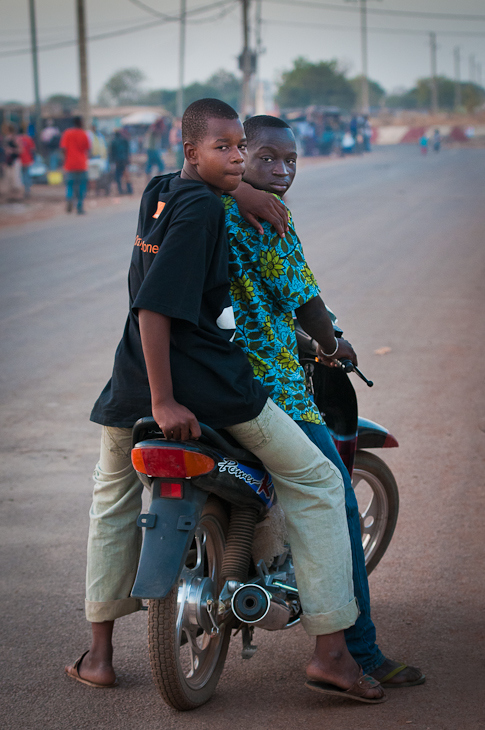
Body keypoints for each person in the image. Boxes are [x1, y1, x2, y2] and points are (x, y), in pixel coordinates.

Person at [65, 99, 385, 704]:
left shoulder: (162, 192)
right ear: (193, 151)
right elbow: (154, 308)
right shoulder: (205, 219)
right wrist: (164, 401)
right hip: (201, 383)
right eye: (229, 149)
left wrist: (235, 190)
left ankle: (100, 656)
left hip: (125, 382)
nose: (239, 159)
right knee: (319, 484)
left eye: (244, 149)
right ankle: (334, 653)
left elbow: (187, 192)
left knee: (110, 505)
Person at [224, 114, 425, 691]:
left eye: (290, 160)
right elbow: (305, 299)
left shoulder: (201, 203)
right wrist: (334, 344)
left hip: (201, 377)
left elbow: (258, 300)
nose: (281, 170)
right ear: (239, 155)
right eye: (265, 157)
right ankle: (354, 652)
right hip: (273, 389)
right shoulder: (269, 216)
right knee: (334, 501)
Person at [60, 116, 90, 214]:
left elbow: (63, 149)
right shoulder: (84, 134)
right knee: (81, 186)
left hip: (70, 164)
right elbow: (87, 149)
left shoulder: (67, 133)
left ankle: (69, 198)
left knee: (70, 185)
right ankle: (79, 206)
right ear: (81, 123)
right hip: (81, 164)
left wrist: (65, 160)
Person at [2, 124, 23, 200]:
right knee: (9, 179)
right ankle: (11, 196)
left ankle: (18, 196)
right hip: (7, 161)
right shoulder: (5, 140)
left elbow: (21, 150)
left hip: (14, 161)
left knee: (16, 179)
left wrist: (12, 151)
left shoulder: (15, 139)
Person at [109, 129, 133, 195]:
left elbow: (111, 153)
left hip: (118, 161)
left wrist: (112, 161)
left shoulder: (113, 142)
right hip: (124, 160)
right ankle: (129, 190)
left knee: (118, 176)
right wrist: (128, 159)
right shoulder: (124, 140)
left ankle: (120, 190)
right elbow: (128, 151)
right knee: (126, 174)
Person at [17, 126, 36, 198]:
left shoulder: (18, 139)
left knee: (22, 175)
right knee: (27, 174)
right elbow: (33, 149)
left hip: (20, 160)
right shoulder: (28, 138)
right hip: (28, 159)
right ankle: (27, 189)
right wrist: (33, 158)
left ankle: (24, 189)